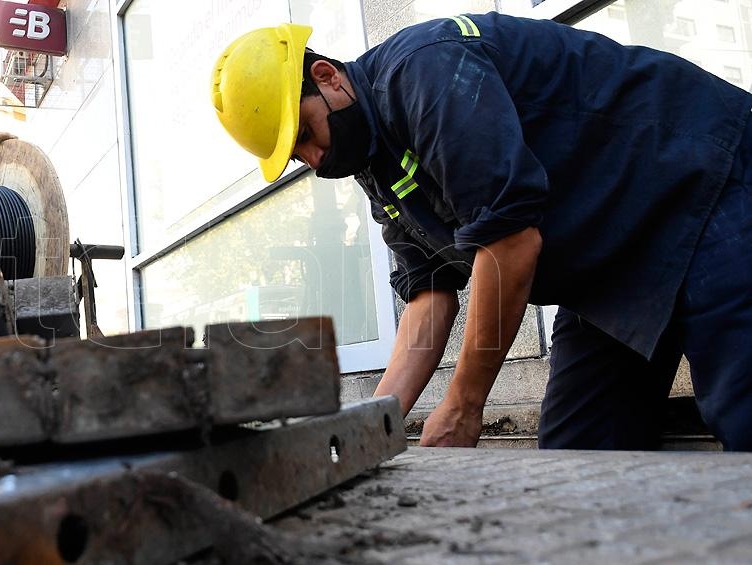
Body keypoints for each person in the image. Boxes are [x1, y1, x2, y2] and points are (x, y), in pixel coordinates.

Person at [211, 14, 752, 450]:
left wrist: (464, 406)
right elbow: (428, 296)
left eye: (307, 132)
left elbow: (511, 243)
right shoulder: (377, 166)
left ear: (326, 76)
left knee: (742, 413)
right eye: (295, 154)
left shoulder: (425, 70)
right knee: (577, 453)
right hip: (611, 267)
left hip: (703, 182)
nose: (314, 157)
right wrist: (368, 430)